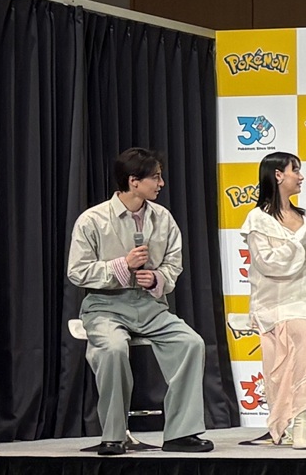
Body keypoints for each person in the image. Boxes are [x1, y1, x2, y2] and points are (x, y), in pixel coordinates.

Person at [66, 147, 214, 455]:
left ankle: (180, 433)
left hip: (150, 306)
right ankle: (114, 435)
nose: (161, 184)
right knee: (113, 349)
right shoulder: (92, 220)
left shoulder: (163, 218)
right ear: (134, 181)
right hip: (104, 306)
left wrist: (157, 278)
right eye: (155, 177)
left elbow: (173, 264)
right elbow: (77, 271)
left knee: (191, 343)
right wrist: (122, 266)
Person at [242, 152, 306, 448]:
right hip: (277, 306)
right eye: (295, 170)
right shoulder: (258, 219)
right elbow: (270, 264)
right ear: (278, 175)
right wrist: (304, 236)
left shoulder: (304, 219)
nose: (300, 177)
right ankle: (298, 420)